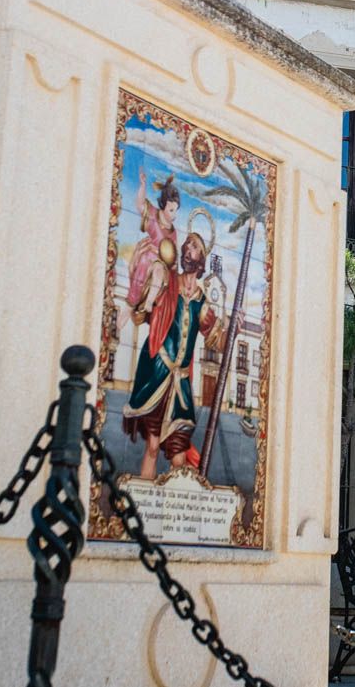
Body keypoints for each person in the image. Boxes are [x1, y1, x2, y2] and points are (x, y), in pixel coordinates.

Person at [122, 231, 227, 479]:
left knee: (179, 455)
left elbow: (215, 338)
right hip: (157, 372)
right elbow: (143, 309)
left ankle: (171, 512)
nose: (188, 248)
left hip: (180, 383)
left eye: (194, 247)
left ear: (201, 259)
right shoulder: (167, 282)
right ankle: (142, 508)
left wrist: (234, 329)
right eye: (187, 244)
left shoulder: (201, 302)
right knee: (153, 446)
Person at [118, 167, 180, 334]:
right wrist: (143, 185)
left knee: (159, 271)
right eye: (171, 210)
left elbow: (173, 256)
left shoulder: (173, 232)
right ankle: (132, 302)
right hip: (148, 257)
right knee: (146, 260)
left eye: (176, 210)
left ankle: (149, 303)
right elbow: (139, 205)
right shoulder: (153, 215)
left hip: (161, 265)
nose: (174, 215)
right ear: (163, 206)